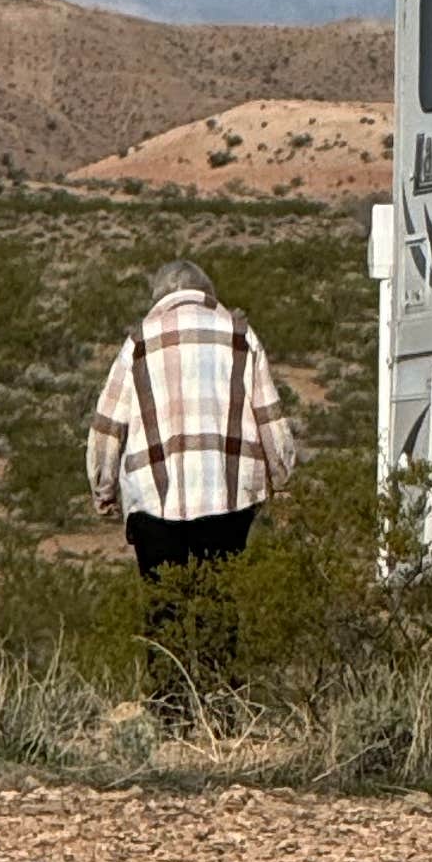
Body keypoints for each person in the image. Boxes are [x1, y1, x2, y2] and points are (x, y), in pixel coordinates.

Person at [86, 260, 297, 712]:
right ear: (207, 291)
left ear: (160, 294)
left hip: (153, 498)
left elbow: (108, 424)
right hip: (229, 492)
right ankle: (223, 711)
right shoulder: (240, 335)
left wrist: (103, 487)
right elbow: (270, 415)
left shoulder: (139, 342)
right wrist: (283, 478)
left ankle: (169, 713)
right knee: (219, 602)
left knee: (163, 608)